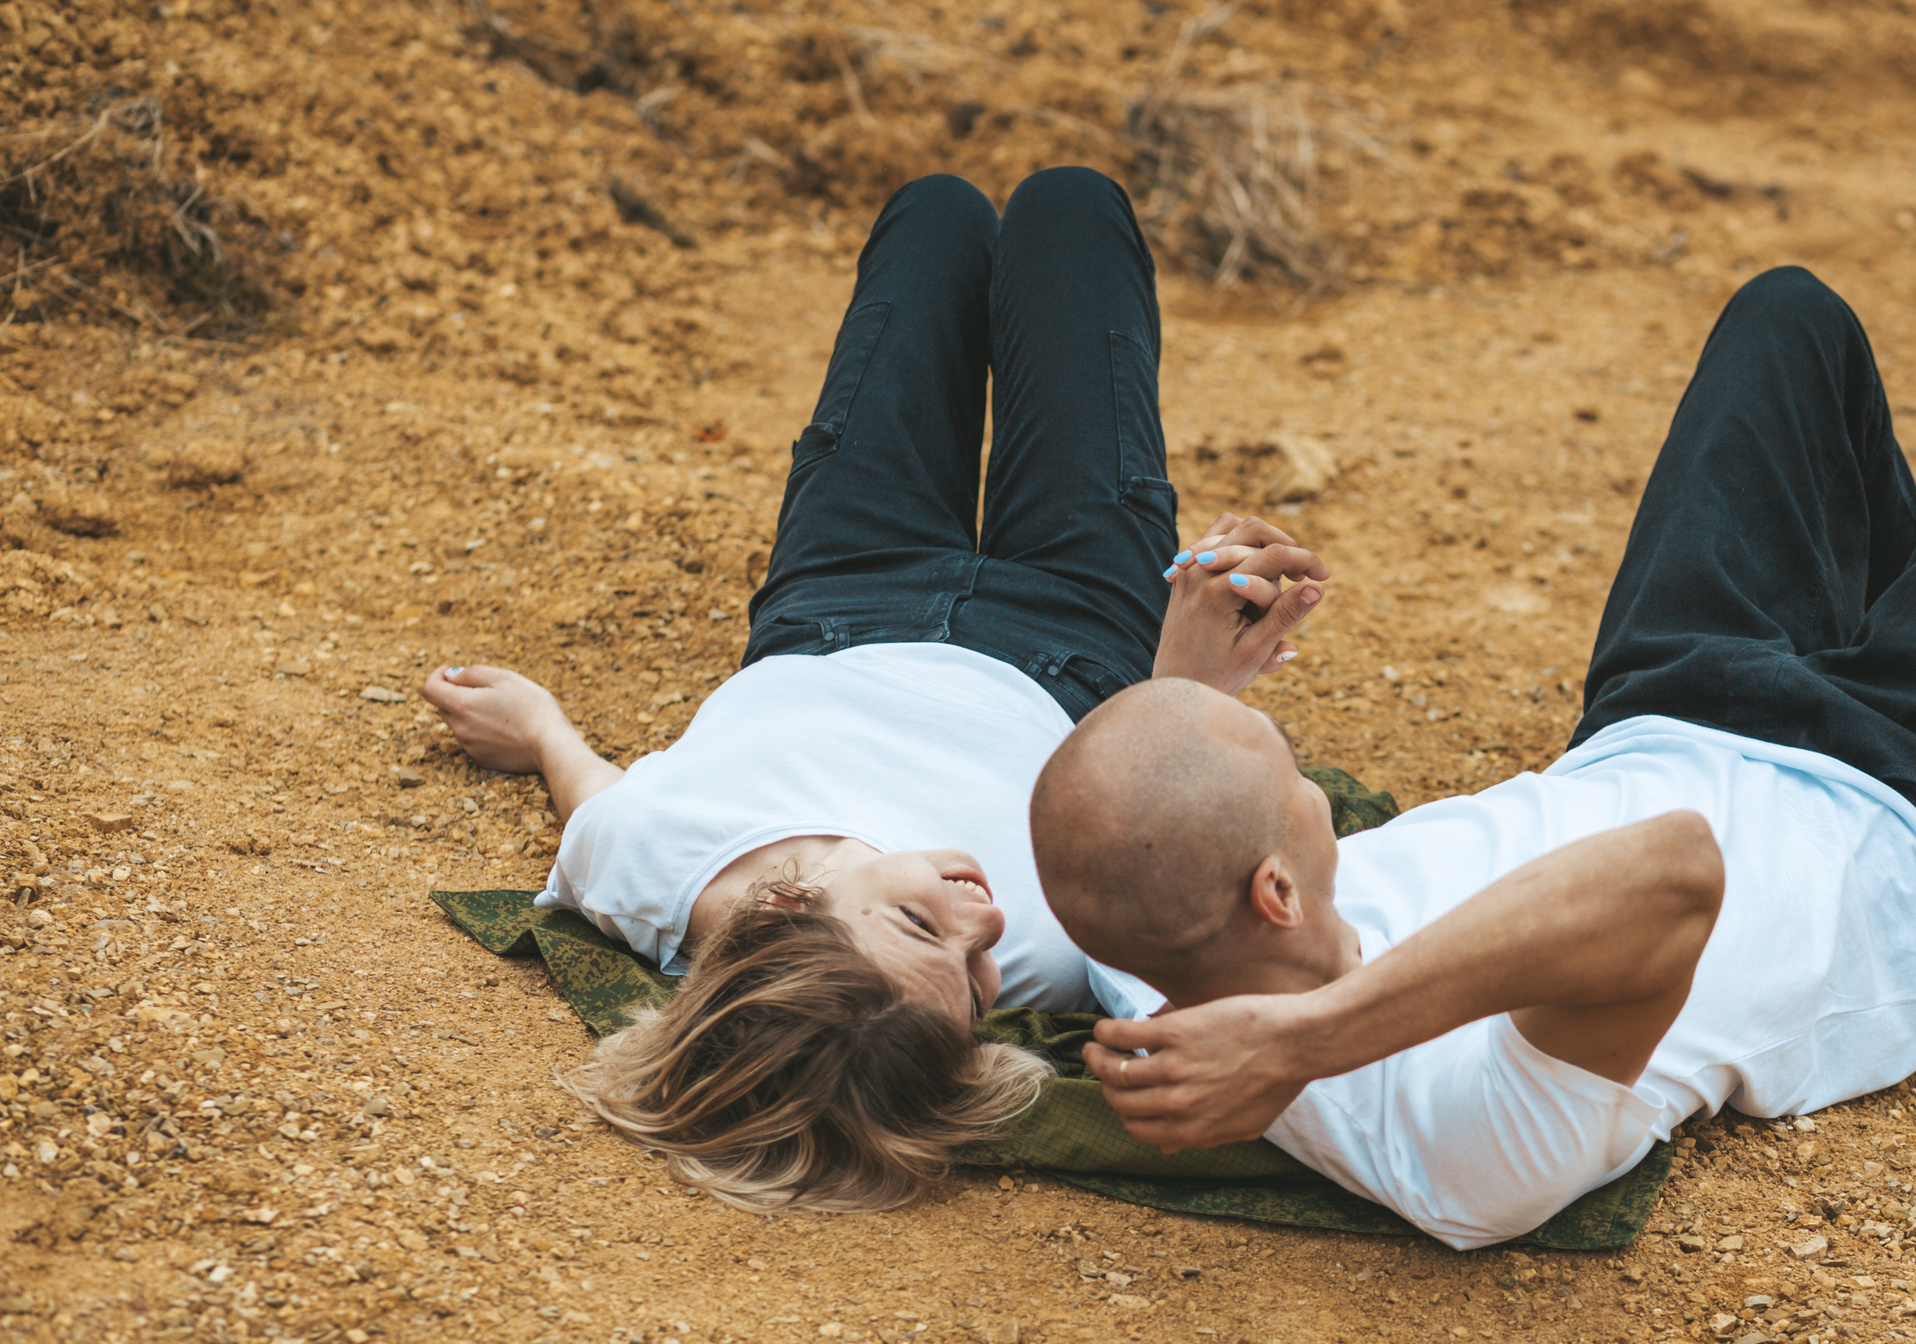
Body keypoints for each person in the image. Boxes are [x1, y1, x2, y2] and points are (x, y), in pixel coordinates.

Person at [1031, 264, 1916, 1250]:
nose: (1317, 782)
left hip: (1668, 713)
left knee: (1790, 323)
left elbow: (1129, 835)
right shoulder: (1450, 1144)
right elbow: (1671, 870)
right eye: (1298, 778)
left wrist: (1185, 690)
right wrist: (1317, 1032)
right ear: (1273, 888)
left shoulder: (1147, 960)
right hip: (1902, 811)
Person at [419, 169, 1325, 1213]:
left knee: (933, 216)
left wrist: (538, 728)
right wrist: (1201, 675)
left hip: (841, 585)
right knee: (1073, 210)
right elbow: (1185, 814)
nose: (979, 923)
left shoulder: (644, 870)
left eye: (917, 924)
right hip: (1073, 640)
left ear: (781, 911)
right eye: (979, 988)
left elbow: (597, 804)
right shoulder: (1046, 947)